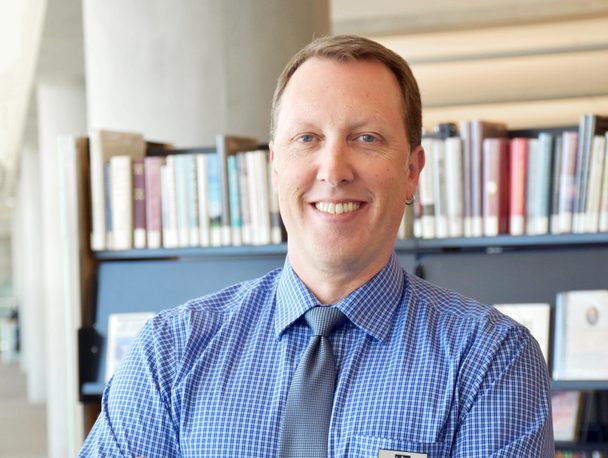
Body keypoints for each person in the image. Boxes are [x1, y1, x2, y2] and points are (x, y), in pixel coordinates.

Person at [80, 35, 554, 457]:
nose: (334, 169)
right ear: (274, 167)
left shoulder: (491, 360)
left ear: (412, 171)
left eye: (366, 138)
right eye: (307, 138)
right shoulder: (170, 352)